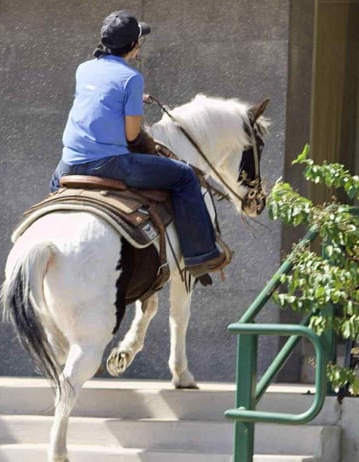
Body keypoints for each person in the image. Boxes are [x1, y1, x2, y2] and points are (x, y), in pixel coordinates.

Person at [50, 10, 228, 278]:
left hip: (68, 164)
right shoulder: (131, 78)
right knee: (184, 176)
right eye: (140, 41)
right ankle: (201, 256)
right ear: (134, 45)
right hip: (111, 165)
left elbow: (100, 99)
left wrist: (130, 99)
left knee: (54, 192)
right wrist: (132, 101)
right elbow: (132, 136)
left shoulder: (83, 69)